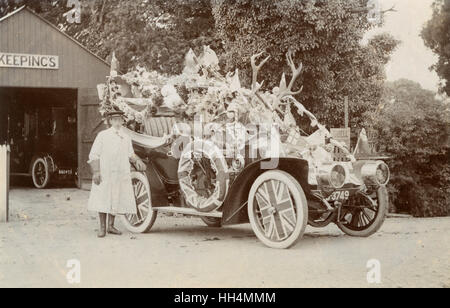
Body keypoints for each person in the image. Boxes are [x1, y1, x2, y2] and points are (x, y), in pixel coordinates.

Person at [88, 110, 146, 238]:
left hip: (120, 172)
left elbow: (130, 153)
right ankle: (102, 227)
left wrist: (137, 160)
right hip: (105, 171)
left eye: (120, 120)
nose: (118, 122)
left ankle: (111, 226)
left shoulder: (125, 137)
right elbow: (94, 154)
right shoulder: (103, 135)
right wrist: (96, 171)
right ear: (110, 121)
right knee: (103, 197)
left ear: (123, 121)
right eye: (115, 120)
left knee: (116, 196)